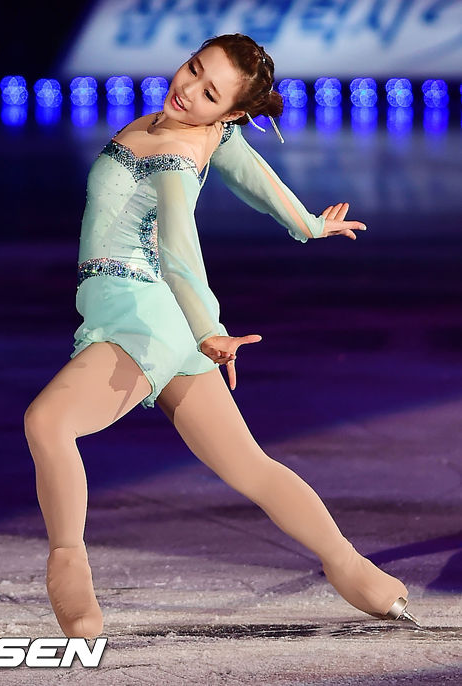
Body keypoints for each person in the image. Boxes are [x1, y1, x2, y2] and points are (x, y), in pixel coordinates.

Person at [24, 33, 420, 639]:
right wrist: (307, 224)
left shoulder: (177, 153)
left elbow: (178, 248)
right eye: (194, 69)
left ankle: (69, 573)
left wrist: (209, 330)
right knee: (249, 466)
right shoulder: (210, 132)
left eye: (210, 94)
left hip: (143, 315)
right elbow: (252, 173)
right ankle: (360, 576)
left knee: (48, 424)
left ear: (229, 112)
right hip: (161, 315)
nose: (188, 90)